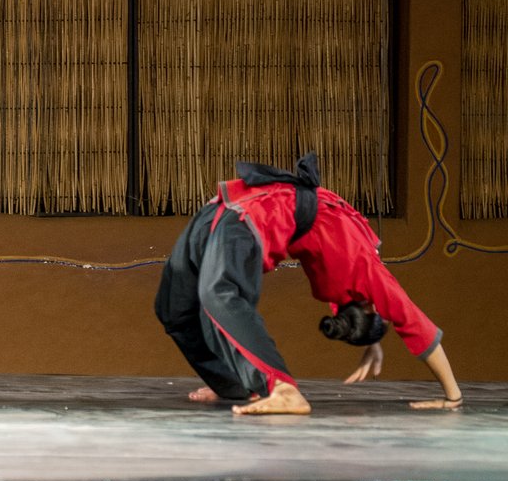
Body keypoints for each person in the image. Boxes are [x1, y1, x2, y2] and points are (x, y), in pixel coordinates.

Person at [154, 153, 461, 415]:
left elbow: (390, 314)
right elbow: (402, 320)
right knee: (173, 307)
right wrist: (375, 342)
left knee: (219, 294)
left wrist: (450, 395)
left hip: (249, 218)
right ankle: (234, 386)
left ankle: (284, 388)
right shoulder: (364, 274)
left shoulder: (360, 279)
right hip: (229, 207)